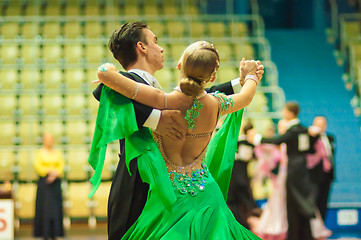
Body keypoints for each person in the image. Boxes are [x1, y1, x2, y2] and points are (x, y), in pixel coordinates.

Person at [91, 22, 264, 239]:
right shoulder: (130, 83)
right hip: (138, 188)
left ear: (180, 65)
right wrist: (155, 120)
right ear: (141, 47)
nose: (161, 48)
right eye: (155, 41)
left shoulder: (163, 98)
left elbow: (196, 97)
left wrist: (236, 82)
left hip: (168, 193)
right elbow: (102, 90)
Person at [250, 102, 316, 240]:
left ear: (290, 113)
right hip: (302, 171)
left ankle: (294, 235)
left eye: (284, 111)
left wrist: (257, 138)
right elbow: (307, 149)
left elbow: (278, 140)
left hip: (292, 171)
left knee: (292, 205)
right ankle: (305, 235)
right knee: (302, 203)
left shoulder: (292, 131)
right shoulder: (303, 130)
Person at [227, 122, 260, 229]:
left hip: (238, 177)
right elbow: (245, 158)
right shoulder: (244, 142)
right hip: (238, 178)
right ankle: (242, 225)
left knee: (238, 202)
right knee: (239, 202)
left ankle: (242, 224)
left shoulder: (243, 143)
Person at [33, 133, 65, 240]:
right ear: (43, 140)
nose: (49, 141)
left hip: (55, 184)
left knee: (55, 209)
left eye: (51, 139)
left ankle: (55, 233)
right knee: (45, 209)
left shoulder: (58, 153)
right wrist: (49, 171)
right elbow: (38, 166)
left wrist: (55, 174)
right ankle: (44, 233)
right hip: (44, 184)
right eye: (47, 139)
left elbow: (61, 166)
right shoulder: (39, 153)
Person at [309, 116, 336, 221]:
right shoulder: (311, 138)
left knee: (324, 202)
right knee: (313, 202)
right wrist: (314, 135)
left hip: (327, 175)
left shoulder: (330, 138)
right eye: (318, 124)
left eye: (322, 124)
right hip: (314, 177)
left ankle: (321, 226)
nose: (320, 127)